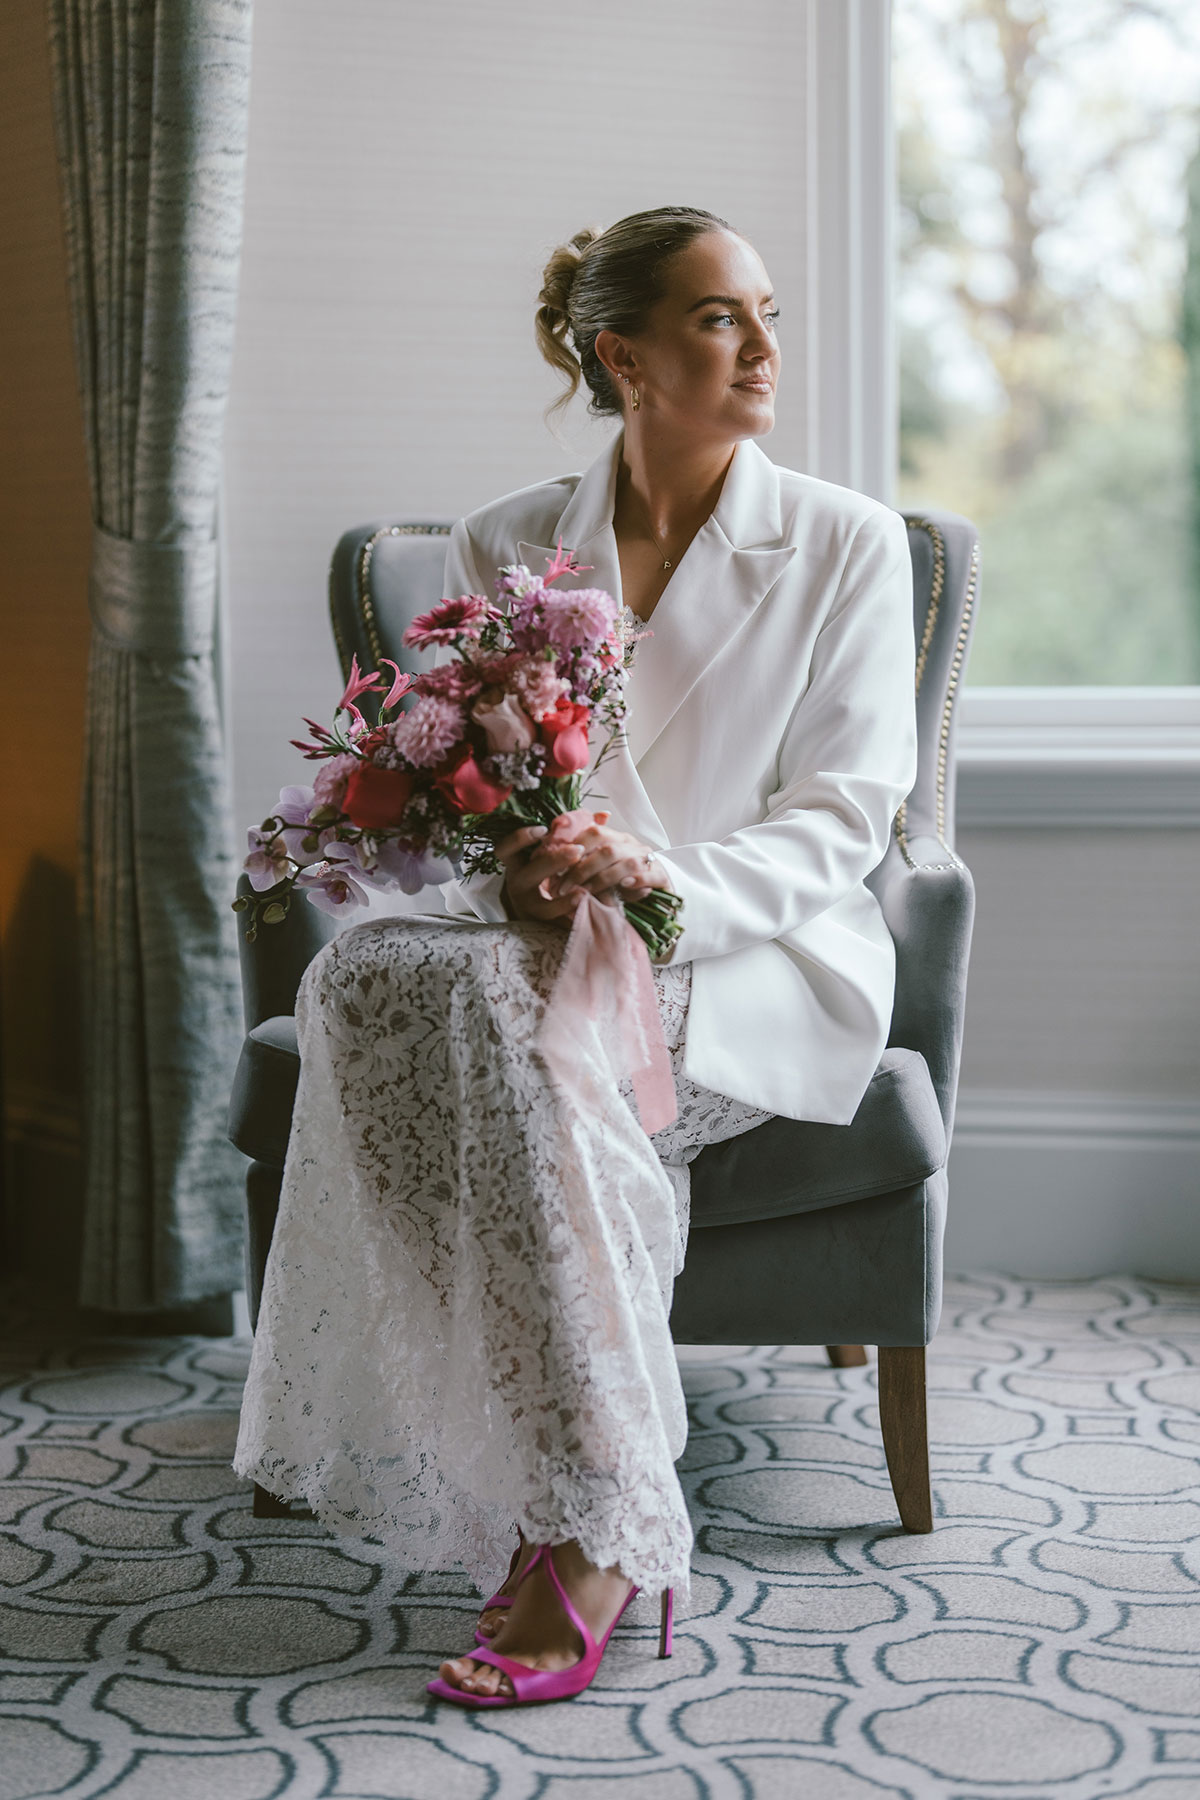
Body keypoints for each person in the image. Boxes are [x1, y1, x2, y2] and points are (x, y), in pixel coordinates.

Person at [233, 206, 917, 1710]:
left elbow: (846, 812)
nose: (765, 348)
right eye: (723, 318)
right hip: (540, 933)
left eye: (768, 312)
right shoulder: (505, 540)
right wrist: (524, 866)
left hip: (751, 945)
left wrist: (656, 887)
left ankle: (591, 1531)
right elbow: (477, 794)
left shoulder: (847, 542)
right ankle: (565, 1472)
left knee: (511, 1021)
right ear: (625, 355)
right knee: (368, 977)